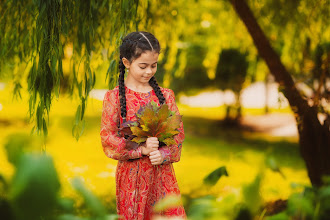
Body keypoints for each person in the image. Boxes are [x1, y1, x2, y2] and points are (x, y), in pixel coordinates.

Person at [100, 31, 186, 220]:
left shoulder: (166, 96)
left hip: (161, 175)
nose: (149, 71)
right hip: (131, 180)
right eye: (143, 66)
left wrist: (163, 154)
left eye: (153, 66)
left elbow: (178, 135)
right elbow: (108, 137)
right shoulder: (114, 98)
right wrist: (142, 150)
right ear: (126, 63)